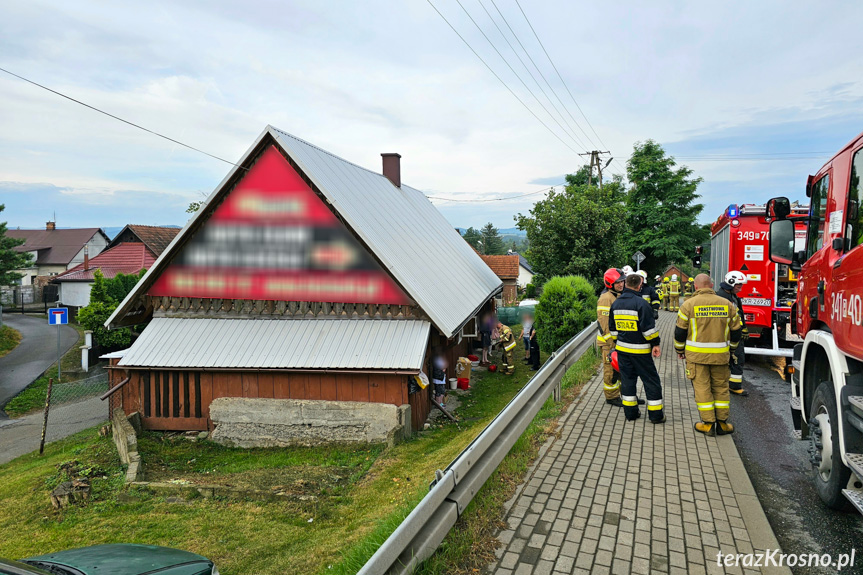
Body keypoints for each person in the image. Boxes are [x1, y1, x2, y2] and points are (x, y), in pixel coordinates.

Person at [674, 273, 743, 436]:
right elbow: (736, 332)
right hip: (720, 356)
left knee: (702, 388)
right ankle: (722, 423)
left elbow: (680, 332)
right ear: (711, 286)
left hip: (697, 357)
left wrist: (679, 350)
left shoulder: (688, 305)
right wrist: (732, 349)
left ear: (696, 287)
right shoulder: (727, 304)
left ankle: (708, 424)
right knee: (721, 389)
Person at [608, 273, 664, 422]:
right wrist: (655, 344)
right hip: (641, 352)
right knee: (651, 381)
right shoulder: (641, 304)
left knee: (627, 382)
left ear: (625, 284)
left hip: (623, 351)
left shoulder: (616, 304)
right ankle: (656, 416)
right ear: (640, 285)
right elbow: (649, 331)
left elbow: (612, 330)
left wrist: (619, 342)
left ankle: (631, 414)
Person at [717, 271, 750, 396]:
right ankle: (734, 386)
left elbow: (739, 314)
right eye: (739, 285)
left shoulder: (733, 297)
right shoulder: (722, 297)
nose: (740, 288)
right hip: (728, 334)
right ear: (731, 283)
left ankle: (732, 384)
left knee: (737, 358)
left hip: (734, 333)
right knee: (737, 358)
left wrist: (744, 328)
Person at [597, 268, 626, 405]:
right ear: (610, 284)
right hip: (608, 343)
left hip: (618, 341)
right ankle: (611, 397)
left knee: (620, 370)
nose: (621, 284)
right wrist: (611, 344)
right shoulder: (605, 298)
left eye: (622, 281)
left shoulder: (618, 295)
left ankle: (623, 394)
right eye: (618, 282)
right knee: (610, 371)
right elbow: (604, 324)